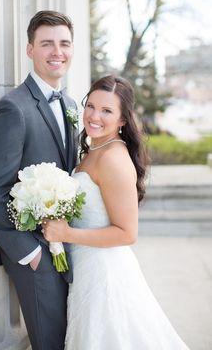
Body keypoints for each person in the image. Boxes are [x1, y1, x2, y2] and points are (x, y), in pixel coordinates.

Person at [42, 75, 190, 350]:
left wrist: (66, 233)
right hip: (87, 270)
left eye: (107, 111)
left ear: (123, 120)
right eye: (91, 106)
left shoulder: (114, 159)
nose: (94, 116)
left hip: (105, 276)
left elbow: (127, 233)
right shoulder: (95, 148)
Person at [0, 10, 78, 350]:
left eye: (64, 43)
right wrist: (29, 252)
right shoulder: (13, 109)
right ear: (29, 49)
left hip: (68, 244)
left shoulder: (69, 102)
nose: (57, 52)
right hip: (36, 256)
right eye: (46, 43)